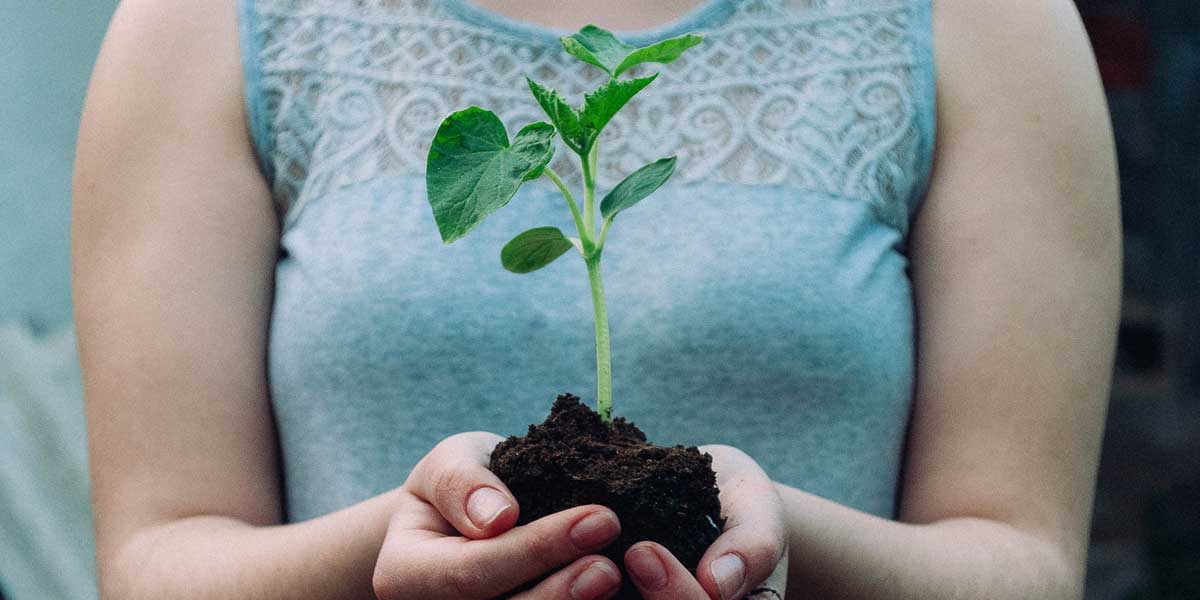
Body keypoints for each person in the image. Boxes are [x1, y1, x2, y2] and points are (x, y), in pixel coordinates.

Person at [71, 0, 1119, 598]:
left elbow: (1022, 561)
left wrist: (776, 536)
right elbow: (157, 559)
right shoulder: (209, 24)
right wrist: (386, 548)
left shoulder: (984, 22)